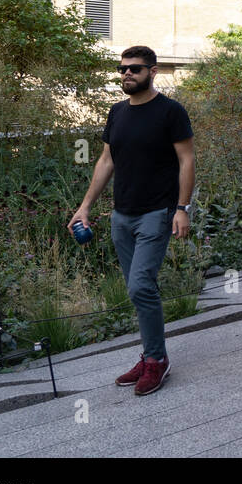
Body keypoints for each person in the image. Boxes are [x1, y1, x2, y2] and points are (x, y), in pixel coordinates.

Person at [68, 46, 194, 396]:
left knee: (141, 285)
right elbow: (107, 160)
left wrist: (183, 208)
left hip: (157, 213)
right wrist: (85, 206)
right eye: (122, 69)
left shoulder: (171, 112)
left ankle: (157, 362)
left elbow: (187, 161)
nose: (126, 74)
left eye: (135, 69)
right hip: (121, 215)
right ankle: (152, 354)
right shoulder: (117, 112)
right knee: (137, 292)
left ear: (152, 72)